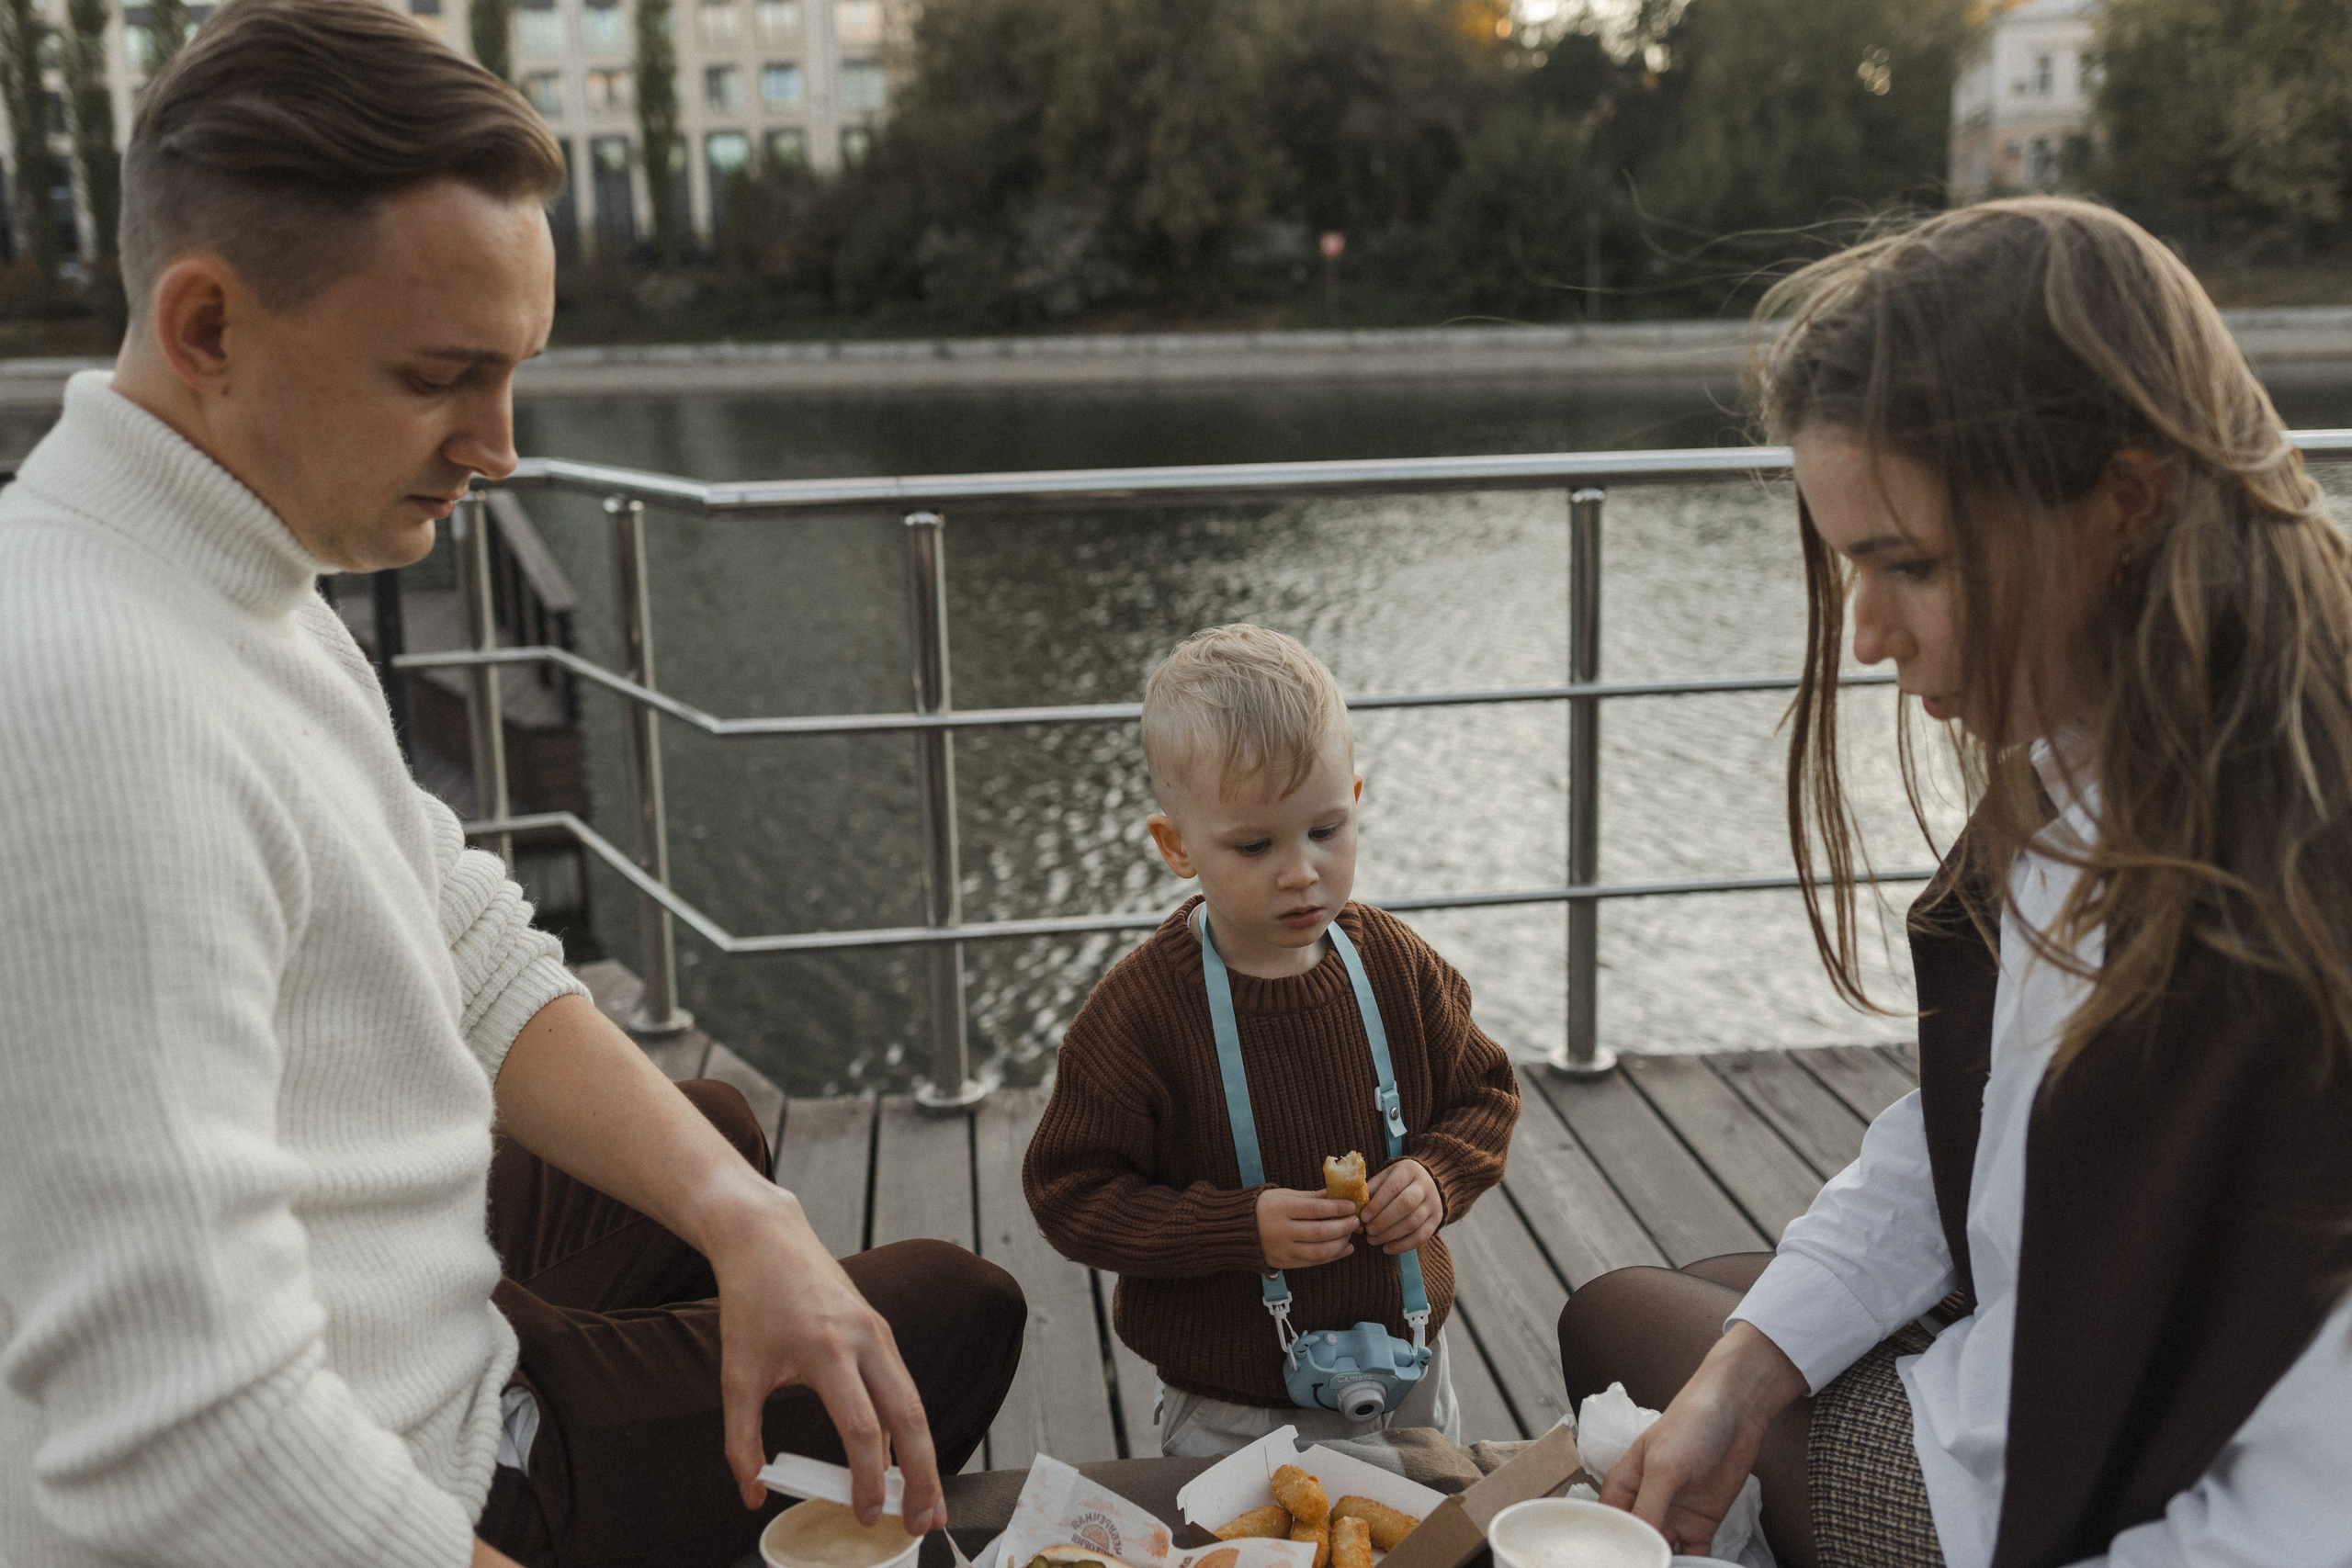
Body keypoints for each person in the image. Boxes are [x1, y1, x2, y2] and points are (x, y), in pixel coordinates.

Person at [0, 5, 1023, 1566]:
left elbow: (463, 933)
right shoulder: (98, 710)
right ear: (208, 328)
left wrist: (751, 1228)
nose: (500, 447)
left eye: (517, 373)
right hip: (419, 1474)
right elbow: (192, 1440)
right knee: (949, 1315)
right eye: (442, 376)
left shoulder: (219, 568)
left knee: (722, 1144)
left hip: (419, 1306)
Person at [1554, 197, 2352, 1567]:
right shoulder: (2114, 749)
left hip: (2047, 1503)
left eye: (1906, 564)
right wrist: (1747, 1370)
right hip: (2053, 1391)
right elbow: (1982, 1128)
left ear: (2128, 497)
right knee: (1711, 1314)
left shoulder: (2286, 902)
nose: (1863, 635)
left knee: (1620, 1316)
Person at [1023, 625, 1520, 1457]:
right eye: (1255, 844)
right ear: (1178, 845)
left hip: (1411, 1369)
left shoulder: (1395, 963)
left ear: (1355, 798)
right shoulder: (1141, 1013)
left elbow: (1485, 1096)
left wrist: (1437, 1177)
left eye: (1327, 829)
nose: (1301, 870)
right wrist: (1234, 1228)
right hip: (1233, 1407)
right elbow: (1070, 1192)